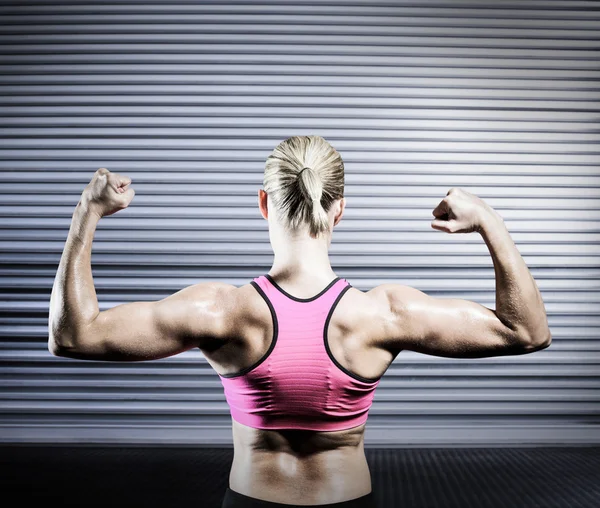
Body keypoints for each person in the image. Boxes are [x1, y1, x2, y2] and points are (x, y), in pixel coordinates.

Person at [48, 135, 552, 508]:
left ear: (263, 204)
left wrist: (86, 214)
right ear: (339, 211)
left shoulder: (220, 311)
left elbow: (73, 336)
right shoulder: (382, 313)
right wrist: (489, 220)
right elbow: (527, 332)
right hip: (349, 500)